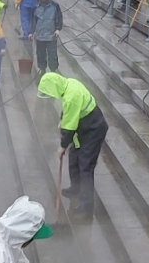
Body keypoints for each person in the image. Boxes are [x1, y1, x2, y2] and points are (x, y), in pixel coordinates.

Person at [37, 72, 109, 219]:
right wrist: (63, 118)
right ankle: (75, 188)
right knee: (74, 158)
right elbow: (68, 113)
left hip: (94, 129)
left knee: (86, 166)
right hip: (83, 128)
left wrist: (62, 146)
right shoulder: (68, 84)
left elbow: (69, 127)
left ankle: (86, 204)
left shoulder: (71, 96)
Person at [32, 0, 63, 74]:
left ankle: (53, 70)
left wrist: (58, 29)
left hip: (51, 36)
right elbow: (34, 20)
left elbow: (59, 18)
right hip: (40, 36)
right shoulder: (36, 7)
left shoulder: (55, 6)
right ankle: (42, 69)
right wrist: (32, 32)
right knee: (40, 54)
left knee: (52, 54)